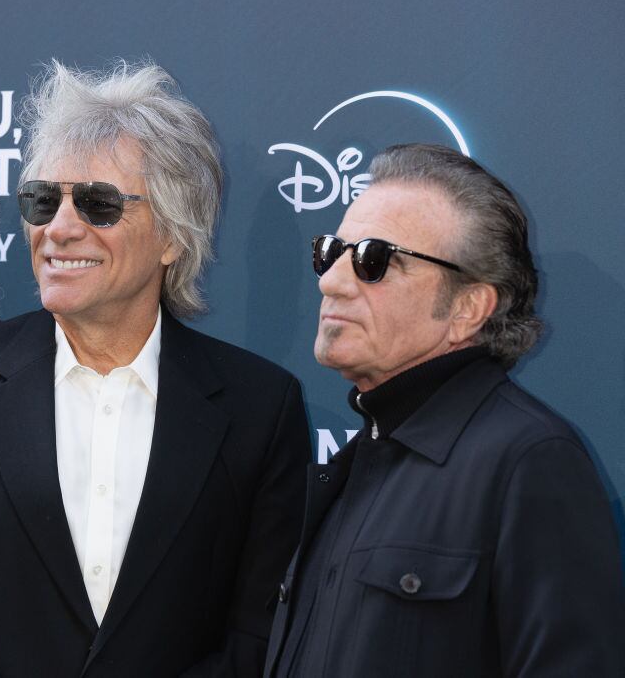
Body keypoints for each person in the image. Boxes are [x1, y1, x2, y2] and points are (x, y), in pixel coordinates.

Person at [0, 60, 311, 677]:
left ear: (173, 236)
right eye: (43, 201)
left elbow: (262, 636)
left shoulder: (260, 408)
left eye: (99, 205)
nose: (59, 229)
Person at [263, 143, 625, 677]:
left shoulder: (529, 460)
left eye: (373, 260)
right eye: (330, 252)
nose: (330, 281)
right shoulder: (359, 459)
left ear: (467, 308)